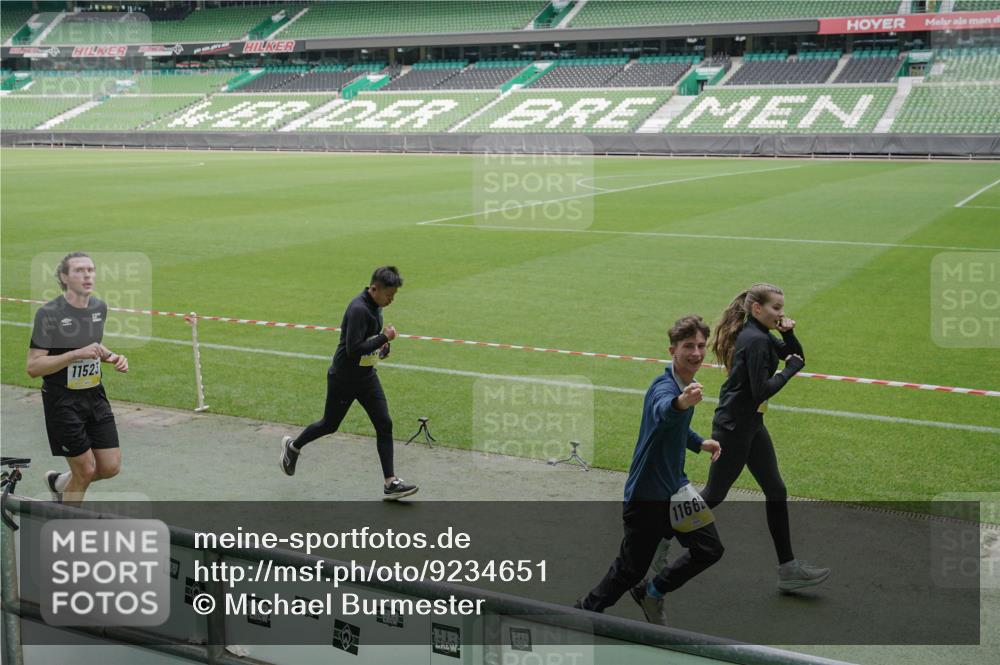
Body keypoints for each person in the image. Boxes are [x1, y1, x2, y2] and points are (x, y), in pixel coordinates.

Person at [576, 315, 723, 625]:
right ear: (672, 350)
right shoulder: (666, 387)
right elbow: (663, 412)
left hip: (677, 490)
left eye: (700, 346)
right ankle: (583, 613)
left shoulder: (686, 384)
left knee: (709, 549)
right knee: (629, 570)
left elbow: (673, 428)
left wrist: (699, 443)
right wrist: (681, 403)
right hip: (648, 497)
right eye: (688, 346)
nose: (696, 353)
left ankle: (651, 591)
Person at [704, 283, 829, 592]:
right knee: (713, 496)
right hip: (734, 429)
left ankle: (788, 570)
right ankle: (656, 536)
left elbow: (795, 354)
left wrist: (787, 333)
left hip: (751, 424)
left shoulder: (759, 334)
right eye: (776, 308)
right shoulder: (756, 341)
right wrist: (788, 371)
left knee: (776, 489)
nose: (781, 313)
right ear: (757, 309)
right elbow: (763, 388)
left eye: (782, 308)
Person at [280, 266, 417, 500]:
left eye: (394, 296)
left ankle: (390, 482)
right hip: (343, 378)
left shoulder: (376, 306)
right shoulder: (358, 309)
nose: (391, 300)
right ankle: (293, 447)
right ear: (374, 288)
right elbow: (353, 350)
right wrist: (384, 337)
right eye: (389, 295)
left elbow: (368, 342)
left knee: (384, 423)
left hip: (366, 377)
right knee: (329, 424)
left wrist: (382, 347)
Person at [27, 252, 129, 505]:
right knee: (83, 471)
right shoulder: (48, 314)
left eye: (91, 270)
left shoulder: (99, 307)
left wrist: (112, 356)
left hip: (95, 396)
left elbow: (92, 347)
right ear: (64, 277)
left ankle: (59, 483)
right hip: (62, 401)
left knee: (109, 467)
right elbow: (34, 366)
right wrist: (74, 355)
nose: (87, 275)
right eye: (79, 270)